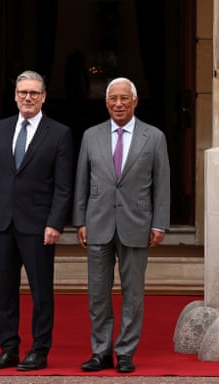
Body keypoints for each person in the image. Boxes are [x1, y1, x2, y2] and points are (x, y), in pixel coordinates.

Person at [73, 77, 170, 373]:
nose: (118, 103)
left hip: (137, 224)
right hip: (98, 223)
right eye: (113, 98)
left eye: (124, 98)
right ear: (106, 102)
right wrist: (80, 220)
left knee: (133, 293)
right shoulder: (91, 135)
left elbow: (162, 184)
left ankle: (125, 352)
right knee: (97, 293)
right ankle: (101, 351)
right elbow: (81, 181)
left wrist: (160, 224)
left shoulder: (153, 137)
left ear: (135, 101)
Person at [0, 70, 74, 371]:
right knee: (5, 290)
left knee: (40, 292)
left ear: (44, 96)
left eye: (34, 93)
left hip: (38, 226)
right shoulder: (1, 128)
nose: (28, 98)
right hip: (3, 223)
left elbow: (63, 185)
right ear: (16, 96)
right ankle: (8, 349)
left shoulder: (59, 133)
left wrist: (55, 223)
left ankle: (39, 349)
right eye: (23, 93)